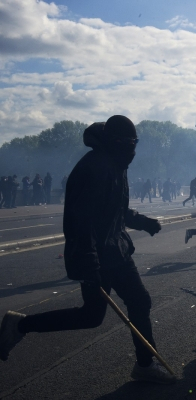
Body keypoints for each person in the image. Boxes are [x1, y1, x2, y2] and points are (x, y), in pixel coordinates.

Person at [0, 116, 174, 384]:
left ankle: (145, 364)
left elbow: (114, 208)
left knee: (139, 301)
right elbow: (82, 222)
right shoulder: (95, 167)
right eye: (128, 143)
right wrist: (90, 264)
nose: (132, 149)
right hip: (100, 256)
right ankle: (20, 325)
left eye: (134, 142)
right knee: (91, 317)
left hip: (117, 249)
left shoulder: (114, 163)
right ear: (116, 142)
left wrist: (141, 222)